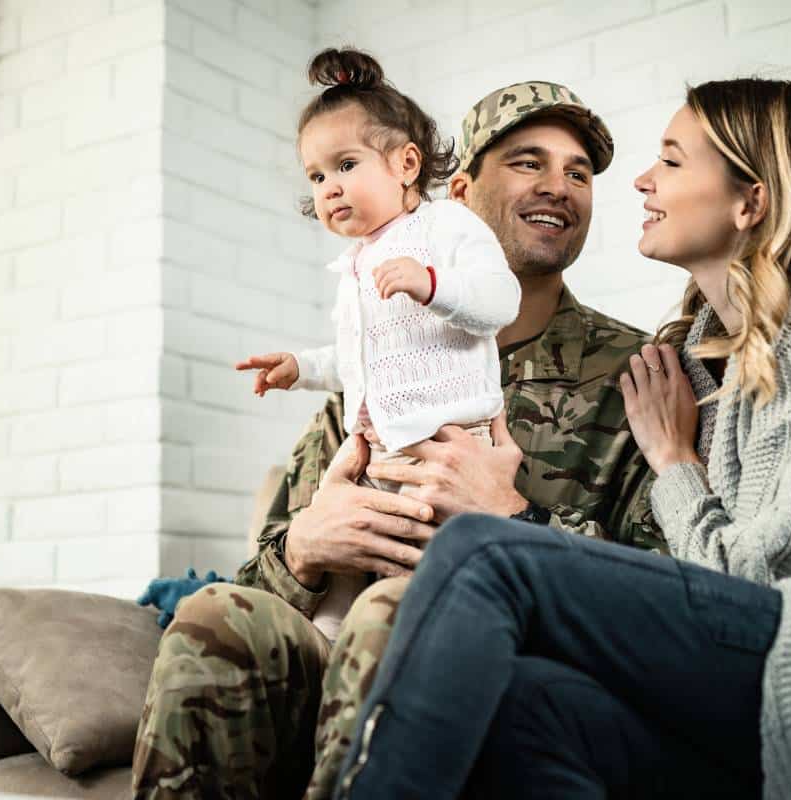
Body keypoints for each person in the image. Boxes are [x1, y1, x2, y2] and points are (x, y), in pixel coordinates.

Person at [331, 79, 791, 799]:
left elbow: (761, 574)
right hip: (785, 684)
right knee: (528, 704)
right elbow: (687, 598)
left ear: (751, 201)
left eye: (673, 161)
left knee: (481, 554)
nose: (643, 182)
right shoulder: (691, 365)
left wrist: (673, 463)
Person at [130, 76, 662, 799]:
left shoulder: (634, 373)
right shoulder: (375, 364)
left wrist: (514, 522)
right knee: (214, 616)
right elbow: (265, 574)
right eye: (529, 162)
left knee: (396, 613)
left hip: (503, 676)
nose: (561, 187)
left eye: (578, 173)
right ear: (461, 192)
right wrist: (305, 550)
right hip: (332, 658)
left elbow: (669, 605)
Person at [234, 48, 519, 641]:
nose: (329, 188)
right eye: (315, 176)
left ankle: (402, 644)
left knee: (416, 565)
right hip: (378, 449)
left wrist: (432, 284)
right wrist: (301, 367)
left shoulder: (446, 227)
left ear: (406, 164)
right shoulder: (358, 263)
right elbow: (358, 359)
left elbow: (500, 302)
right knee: (346, 568)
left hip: (447, 447)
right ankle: (331, 645)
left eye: (344, 165)